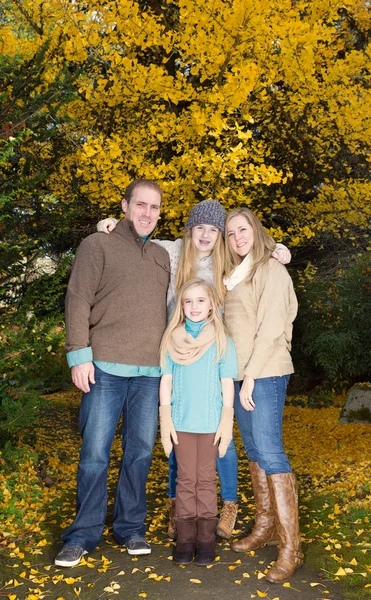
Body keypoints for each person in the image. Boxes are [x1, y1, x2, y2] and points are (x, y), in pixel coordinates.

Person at [97, 202, 291, 541]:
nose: (206, 234)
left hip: (216, 353)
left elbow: (257, 248)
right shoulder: (173, 250)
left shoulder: (225, 261)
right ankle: (179, 507)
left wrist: (280, 249)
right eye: (200, 227)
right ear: (190, 229)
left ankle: (228, 504)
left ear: (220, 237)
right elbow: (139, 238)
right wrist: (113, 223)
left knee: (223, 435)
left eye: (214, 230)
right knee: (180, 431)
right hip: (179, 350)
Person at [55, 179, 170, 567]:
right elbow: (77, 298)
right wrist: (78, 355)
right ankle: (84, 534)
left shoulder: (161, 255)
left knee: (139, 453)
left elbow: (207, 252)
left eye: (155, 207)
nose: (148, 213)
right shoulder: (97, 244)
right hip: (102, 367)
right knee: (94, 454)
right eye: (141, 204)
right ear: (124, 206)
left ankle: (130, 527)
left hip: (150, 372)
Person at [223, 207, 303, 584]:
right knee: (254, 450)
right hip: (240, 375)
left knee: (270, 450)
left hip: (265, 372)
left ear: (255, 230)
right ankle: (266, 527)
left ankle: (291, 548)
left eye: (243, 230)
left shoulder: (272, 269)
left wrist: (252, 376)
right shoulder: (234, 275)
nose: (237, 238)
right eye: (230, 233)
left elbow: (272, 326)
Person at [159, 278, 238, 566]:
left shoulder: (221, 340)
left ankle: (206, 541)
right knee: (184, 480)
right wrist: (165, 418)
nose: (194, 306)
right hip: (180, 422)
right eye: (188, 301)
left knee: (205, 479)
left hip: (210, 423)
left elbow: (227, 382)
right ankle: (185, 540)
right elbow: (166, 380)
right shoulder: (172, 338)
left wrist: (226, 420)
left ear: (211, 305)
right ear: (181, 306)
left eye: (201, 300)